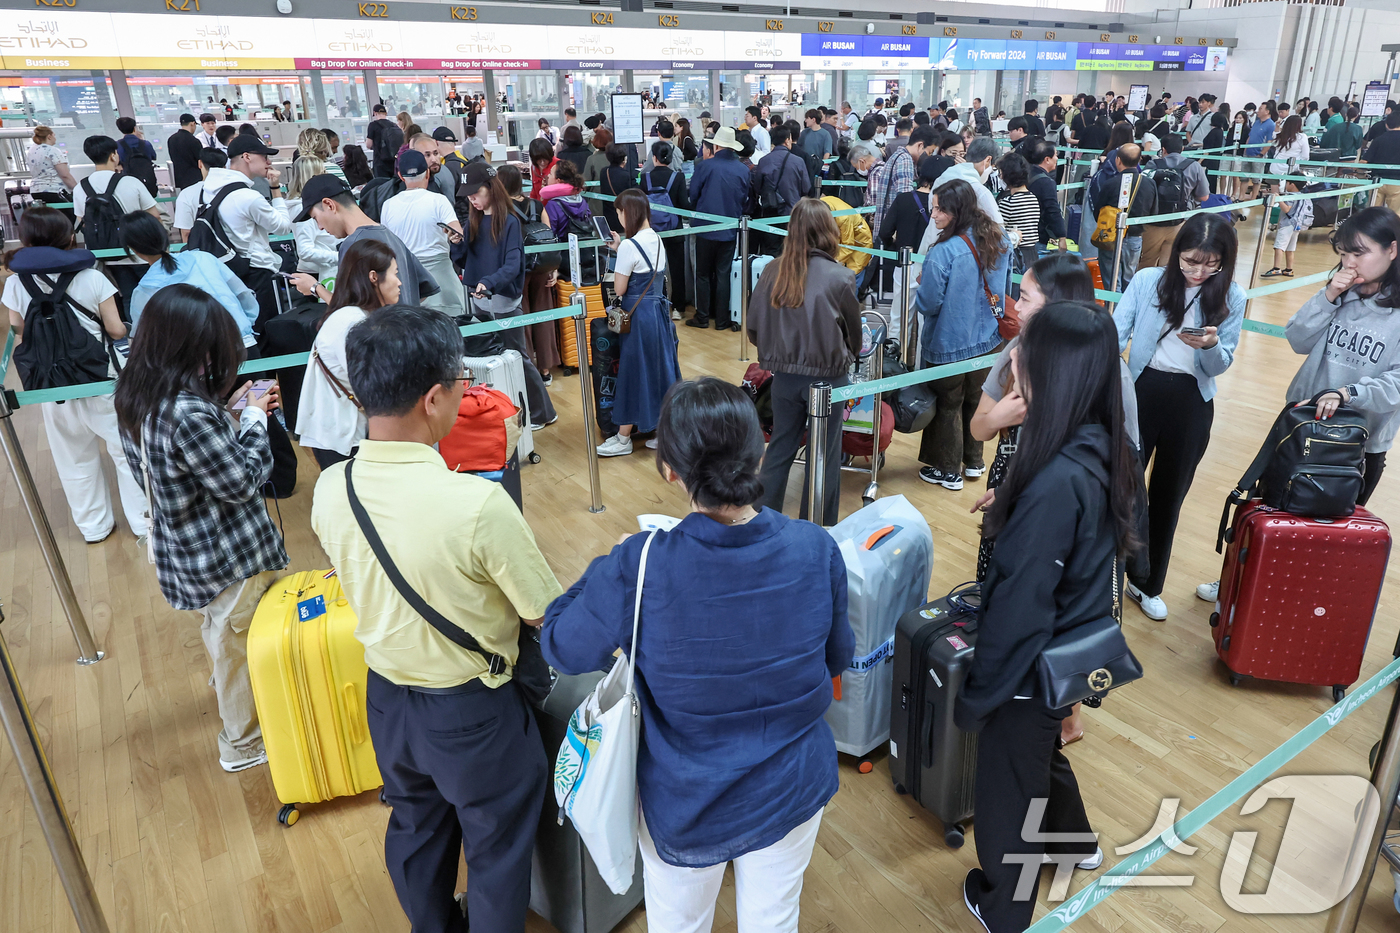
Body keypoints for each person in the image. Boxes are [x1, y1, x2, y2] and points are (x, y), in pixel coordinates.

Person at [542, 375, 851, 932]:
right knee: (774, 918)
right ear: (759, 454)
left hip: (684, 799)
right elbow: (836, 659)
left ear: (670, 471)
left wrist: (602, 574)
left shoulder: (640, 563)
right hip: (792, 782)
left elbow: (562, 646)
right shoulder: (816, 548)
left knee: (679, 923)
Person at [310, 305, 559, 932]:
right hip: (472, 714)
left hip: (388, 701)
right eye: (461, 384)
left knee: (416, 829)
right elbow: (545, 613)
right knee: (497, 849)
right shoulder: (476, 504)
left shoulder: (332, 489)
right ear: (433, 398)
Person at [956, 299, 1140, 933]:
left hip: (1031, 663)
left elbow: (1021, 604)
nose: (1012, 357)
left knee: (1009, 789)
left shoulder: (1057, 480)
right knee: (1037, 758)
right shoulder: (1102, 443)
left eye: (1024, 351)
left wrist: (983, 690)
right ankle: (1073, 841)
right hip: (1073, 647)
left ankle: (1003, 908)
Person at [114, 284, 288, 772]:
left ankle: (237, 711)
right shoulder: (187, 412)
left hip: (184, 551)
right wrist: (253, 419)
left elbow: (171, 467)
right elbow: (242, 482)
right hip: (227, 555)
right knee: (237, 647)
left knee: (220, 633)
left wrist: (227, 415)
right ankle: (244, 743)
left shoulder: (133, 396)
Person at [1114, 213, 1244, 621]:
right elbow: (1116, 333)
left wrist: (1209, 344)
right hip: (1141, 389)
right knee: (1123, 489)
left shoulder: (1232, 296)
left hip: (1192, 400)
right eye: (1190, 261)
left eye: (1210, 264)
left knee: (1169, 495)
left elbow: (1221, 364)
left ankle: (1148, 583)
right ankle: (1109, 574)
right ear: (1176, 253)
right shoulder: (1147, 281)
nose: (1198, 271)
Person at [3, 207, 147, 544]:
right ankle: (143, 522)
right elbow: (114, 331)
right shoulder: (92, 277)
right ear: (69, 237)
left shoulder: (15, 282)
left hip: (51, 384)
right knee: (127, 452)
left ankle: (94, 527)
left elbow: (18, 328)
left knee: (73, 459)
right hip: (102, 378)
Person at [746, 199, 861, 524]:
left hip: (783, 378)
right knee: (824, 454)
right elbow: (854, 336)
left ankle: (761, 522)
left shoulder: (772, 271)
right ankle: (818, 527)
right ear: (829, 230)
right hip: (829, 380)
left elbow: (753, 327)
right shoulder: (840, 277)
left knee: (780, 446)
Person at [1282, 207, 1400, 503]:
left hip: (1358, 445)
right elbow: (1297, 339)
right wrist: (1328, 297)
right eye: (1344, 254)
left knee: (1333, 543)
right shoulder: (1340, 294)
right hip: (1305, 426)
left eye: (1359, 254)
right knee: (1283, 524)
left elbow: (1396, 385)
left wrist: (1346, 394)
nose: (1349, 264)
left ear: (1392, 250)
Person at [913, 179, 1011, 491]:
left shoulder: (944, 252)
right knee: (976, 399)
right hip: (988, 339)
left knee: (947, 404)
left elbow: (928, 303)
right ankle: (974, 462)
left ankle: (947, 469)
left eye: (941, 209)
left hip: (948, 341)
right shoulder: (998, 238)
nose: (935, 215)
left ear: (956, 211)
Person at [457, 162, 558, 429]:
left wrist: (490, 281)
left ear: (490, 187)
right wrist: (455, 243)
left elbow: (514, 264)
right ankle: (502, 410)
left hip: (503, 300)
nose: (472, 200)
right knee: (491, 357)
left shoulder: (510, 221)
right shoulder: (473, 221)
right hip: (480, 299)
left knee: (517, 357)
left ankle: (542, 412)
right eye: (468, 196)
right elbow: (461, 258)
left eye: (475, 193)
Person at [593, 189, 682, 456]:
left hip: (636, 316)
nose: (618, 217)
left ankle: (623, 439)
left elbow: (619, 289)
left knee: (632, 373)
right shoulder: (656, 238)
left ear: (627, 213)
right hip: (657, 313)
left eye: (619, 212)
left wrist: (620, 252)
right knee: (660, 371)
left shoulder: (630, 246)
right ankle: (663, 432)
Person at [296, 239, 400, 468]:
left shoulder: (352, 317)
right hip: (345, 439)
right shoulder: (351, 322)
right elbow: (372, 385)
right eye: (395, 273)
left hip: (343, 432)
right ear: (374, 277)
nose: (400, 282)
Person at [292, 173, 440, 309]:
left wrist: (315, 287)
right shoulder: (391, 236)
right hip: (408, 330)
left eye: (316, 218)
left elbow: (350, 311)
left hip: (380, 335)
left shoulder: (354, 245)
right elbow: (424, 290)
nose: (320, 227)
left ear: (329, 205)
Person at [120, 210, 258, 350]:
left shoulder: (144, 289)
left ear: (133, 249)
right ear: (164, 234)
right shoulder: (204, 258)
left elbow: (143, 337)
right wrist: (244, 325)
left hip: (198, 359)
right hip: (243, 342)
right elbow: (243, 294)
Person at [197, 134, 293, 332]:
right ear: (247, 157)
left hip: (226, 270)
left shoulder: (207, 189)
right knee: (265, 331)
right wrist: (275, 188)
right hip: (257, 272)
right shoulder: (248, 197)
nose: (269, 162)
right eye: (264, 156)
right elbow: (283, 227)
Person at [74, 135, 162, 318]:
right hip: (140, 252)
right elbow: (155, 216)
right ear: (114, 155)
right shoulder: (130, 182)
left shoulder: (80, 188)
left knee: (129, 296)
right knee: (157, 295)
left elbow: (82, 222)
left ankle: (136, 336)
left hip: (108, 254)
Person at [379, 150, 464, 315]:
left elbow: (387, 245)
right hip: (441, 280)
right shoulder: (438, 200)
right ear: (427, 173)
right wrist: (453, 236)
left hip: (406, 279)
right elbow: (457, 232)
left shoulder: (388, 205)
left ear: (401, 176)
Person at [688, 126, 751, 331]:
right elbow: (745, 199)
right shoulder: (743, 169)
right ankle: (722, 319)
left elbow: (694, 195)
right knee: (723, 273)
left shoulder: (705, 166)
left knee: (703, 273)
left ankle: (703, 316)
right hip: (730, 227)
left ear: (716, 145)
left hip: (705, 227)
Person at [1087, 143, 1156, 291]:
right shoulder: (1149, 184)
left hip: (1110, 237)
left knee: (1111, 282)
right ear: (1139, 160)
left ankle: (1113, 311)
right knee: (1129, 281)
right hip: (1135, 238)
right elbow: (1153, 212)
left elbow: (1098, 211)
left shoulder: (1110, 184)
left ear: (1118, 160)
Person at [1140, 134, 1210, 268]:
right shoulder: (1194, 166)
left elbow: (1143, 190)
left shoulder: (1153, 164)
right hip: (1180, 220)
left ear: (1163, 149)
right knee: (1169, 265)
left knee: (1146, 262)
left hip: (1153, 221)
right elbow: (1204, 197)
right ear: (1182, 148)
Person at [641, 141, 692, 317]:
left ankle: (656, 303)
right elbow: (684, 205)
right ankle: (678, 308)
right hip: (674, 230)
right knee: (677, 269)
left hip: (652, 232)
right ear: (670, 159)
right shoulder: (678, 177)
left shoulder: (645, 178)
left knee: (653, 269)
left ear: (653, 157)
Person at [284, 156, 341, 281]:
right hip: (319, 274)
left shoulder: (304, 205)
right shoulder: (302, 208)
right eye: (323, 172)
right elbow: (305, 250)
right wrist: (340, 256)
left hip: (323, 270)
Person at [995, 152, 1041, 279]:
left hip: (1017, 254)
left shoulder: (1008, 203)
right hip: (1033, 253)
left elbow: (999, 231)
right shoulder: (1033, 197)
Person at [752, 125, 812, 219]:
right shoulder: (798, 161)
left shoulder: (763, 161)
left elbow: (757, 187)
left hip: (770, 210)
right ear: (787, 140)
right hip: (792, 211)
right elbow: (806, 188)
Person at [26, 125, 78, 217]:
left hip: (36, 191)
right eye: (54, 135)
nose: (55, 138)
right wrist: (77, 189)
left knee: (49, 220)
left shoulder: (31, 151)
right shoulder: (53, 151)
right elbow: (65, 175)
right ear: (49, 136)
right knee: (68, 217)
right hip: (54, 191)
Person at [1026, 140, 1067, 254]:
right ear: (1047, 159)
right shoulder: (1046, 182)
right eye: (1055, 155)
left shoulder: (1025, 173)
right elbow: (1052, 210)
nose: (1057, 159)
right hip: (1038, 236)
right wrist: (1061, 237)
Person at [1361, 109, 1400, 212]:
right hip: (1397, 183)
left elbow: (1365, 161)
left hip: (1377, 182)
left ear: (1386, 125)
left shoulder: (1379, 139)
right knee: (1395, 215)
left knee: (1373, 214)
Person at [596, 143, 638, 234]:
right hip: (624, 218)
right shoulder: (626, 175)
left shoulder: (604, 172)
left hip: (609, 217)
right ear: (624, 158)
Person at [167, 113, 204, 190]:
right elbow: (200, 160)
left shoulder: (171, 139)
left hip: (180, 178)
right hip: (195, 178)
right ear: (192, 124)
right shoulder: (194, 141)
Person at [366, 103, 404, 178]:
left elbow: (368, 145)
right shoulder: (394, 125)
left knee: (382, 185)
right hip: (393, 161)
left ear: (375, 113)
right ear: (385, 113)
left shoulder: (373, 125)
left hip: (380, 162)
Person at [1269, 114, 1310, 179]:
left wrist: (1277, 126)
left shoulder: (1280, 136)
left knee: (1274, 187)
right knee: (1288, 188)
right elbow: (1305, 156)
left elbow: (1275, 136)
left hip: (1275, 168)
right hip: (1291, 169)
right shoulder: (1302, 137)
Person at [527, 137, 557, 203]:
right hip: (539, 207)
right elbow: (534, 191)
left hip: (554, 208)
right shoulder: (534, 167)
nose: (542, 162)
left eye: (545, 159)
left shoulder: (559, 165)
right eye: (538, 159)